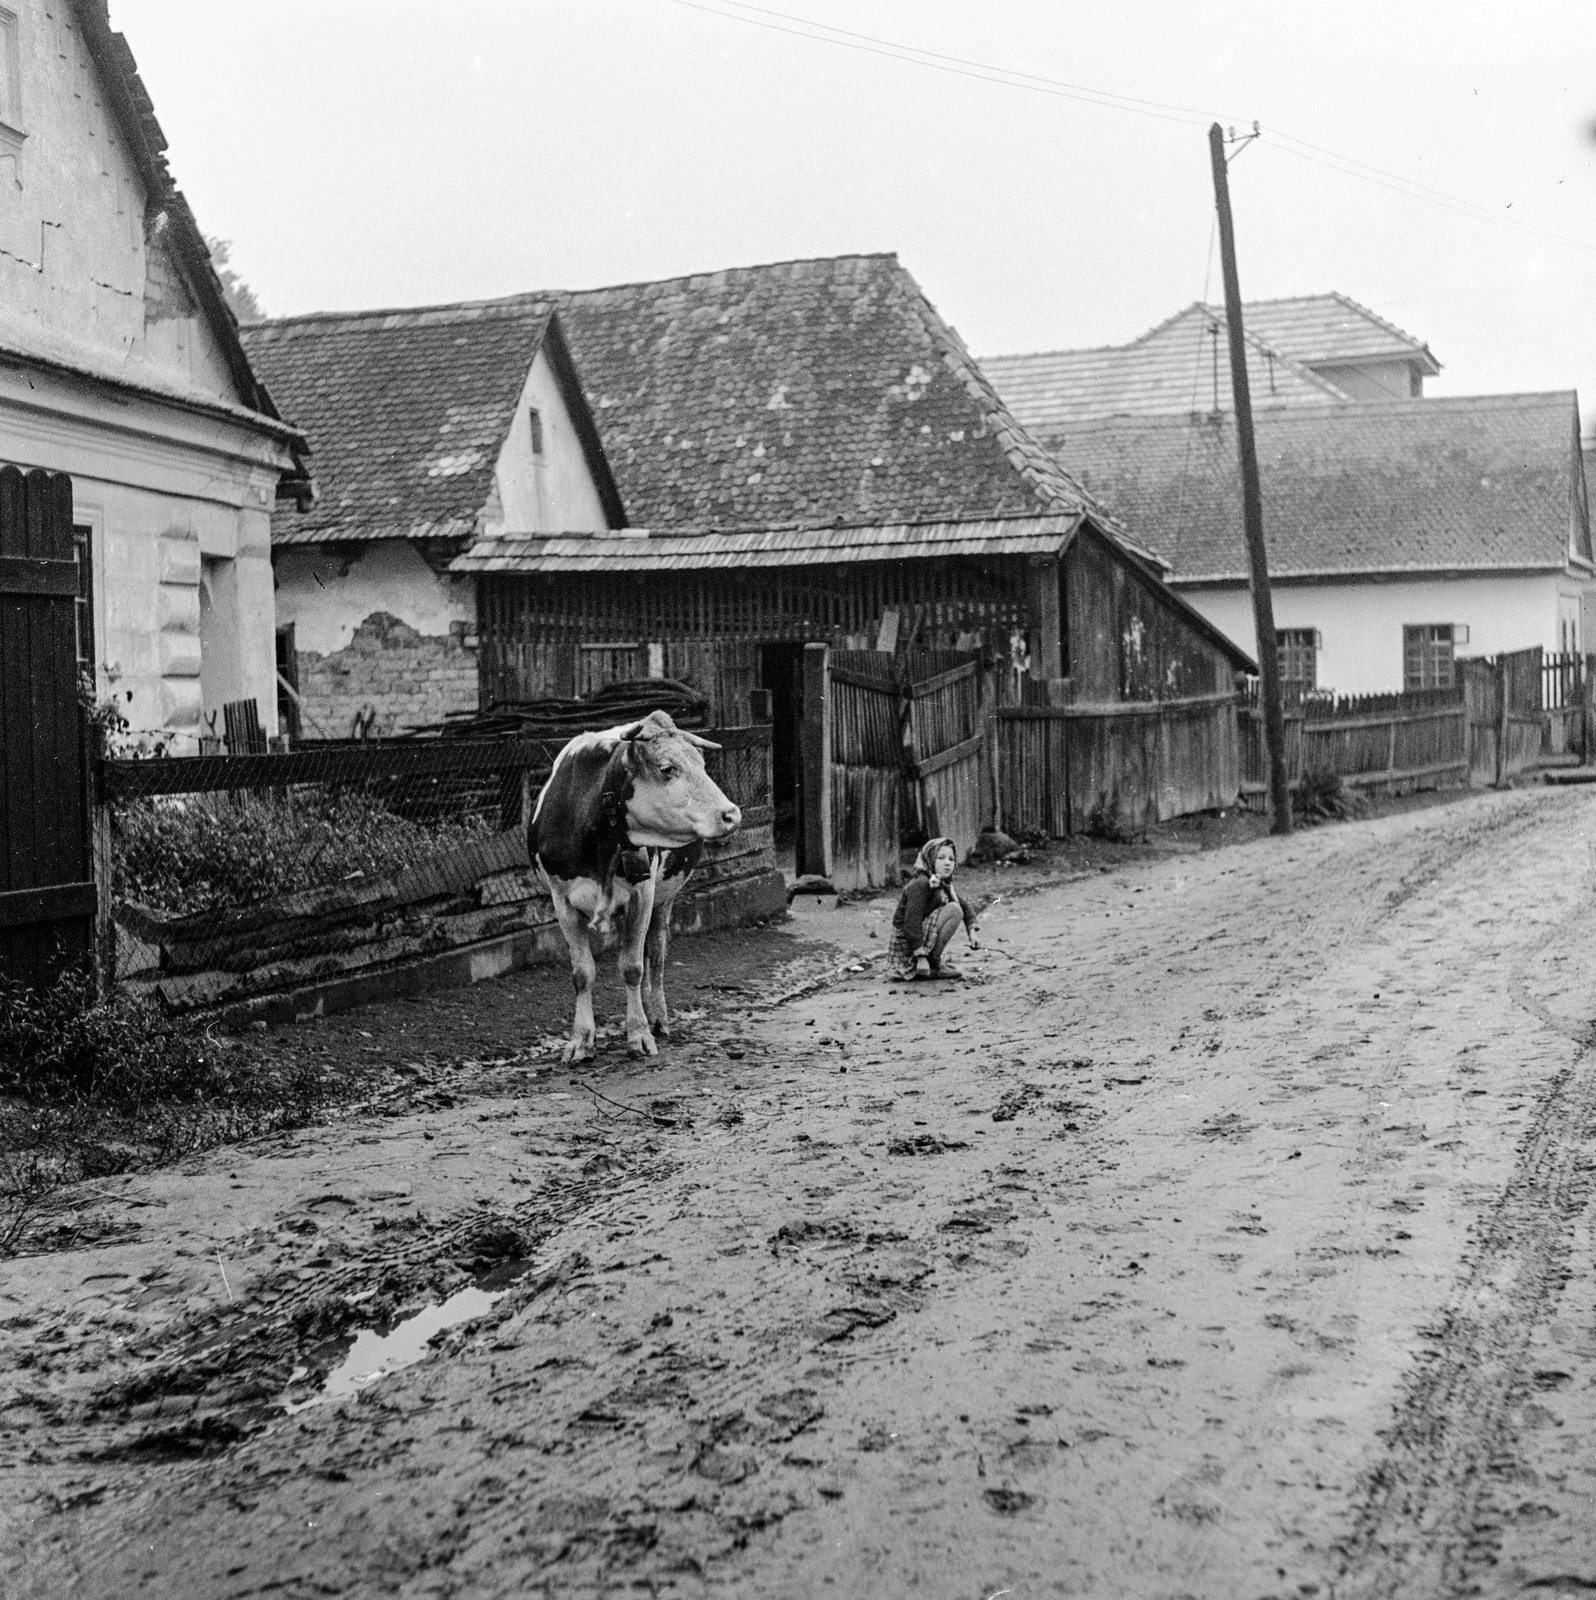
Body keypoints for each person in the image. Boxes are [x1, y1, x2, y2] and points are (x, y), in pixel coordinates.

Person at [886, 835, 980, 980]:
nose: (947, 863)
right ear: (930, 859)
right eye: (941, 858)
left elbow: (965, 907)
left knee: (956, 907)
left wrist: (972, 931)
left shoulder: (942, 882)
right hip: (906, 947)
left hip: (918, 940)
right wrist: (920, 957)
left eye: (951, 859)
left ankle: (933, 962)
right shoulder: (921, 884)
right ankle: (931, 964)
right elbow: (911, 923)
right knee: (954, 910)